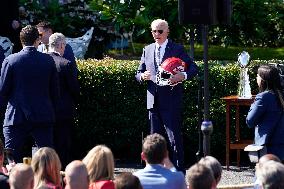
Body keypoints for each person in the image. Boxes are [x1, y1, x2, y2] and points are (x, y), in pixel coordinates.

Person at [135, 18, 198, 172]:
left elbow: (194, 68)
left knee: (174, 138)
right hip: (153, 101)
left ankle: (178, 172)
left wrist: (182, 76)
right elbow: (138, 73)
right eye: (154, 31)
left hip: (170, 100)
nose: (157, 34)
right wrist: (142, 76)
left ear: (167, 31)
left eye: (160, 31)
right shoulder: (147, 49)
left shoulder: (177, 49)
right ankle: (154, 171)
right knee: (154, 141)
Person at [0, 25, 59, 163]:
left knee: (11, 158)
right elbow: (55, 92)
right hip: (43, 115)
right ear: (37, 40)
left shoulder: (11, 60)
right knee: (46, 159)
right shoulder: (48, 60)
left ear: (21, 41)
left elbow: (3, 90)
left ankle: (14, 183)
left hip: (16, 116)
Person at [48, 32, 80, 168]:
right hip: (63, 111)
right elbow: (74, 89)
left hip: (43, 110)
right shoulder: (66, 64)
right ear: (61, 45)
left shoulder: (40, 61)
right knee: (63, 145)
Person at [246, 65, 284, 160]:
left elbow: (250, 121)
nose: (256, 78)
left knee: (264, 174)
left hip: (268, 148)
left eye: (258, 76)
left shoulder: (263, 97)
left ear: (263, 80)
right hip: (281, 146)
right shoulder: (280, 95)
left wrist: (253, 103)